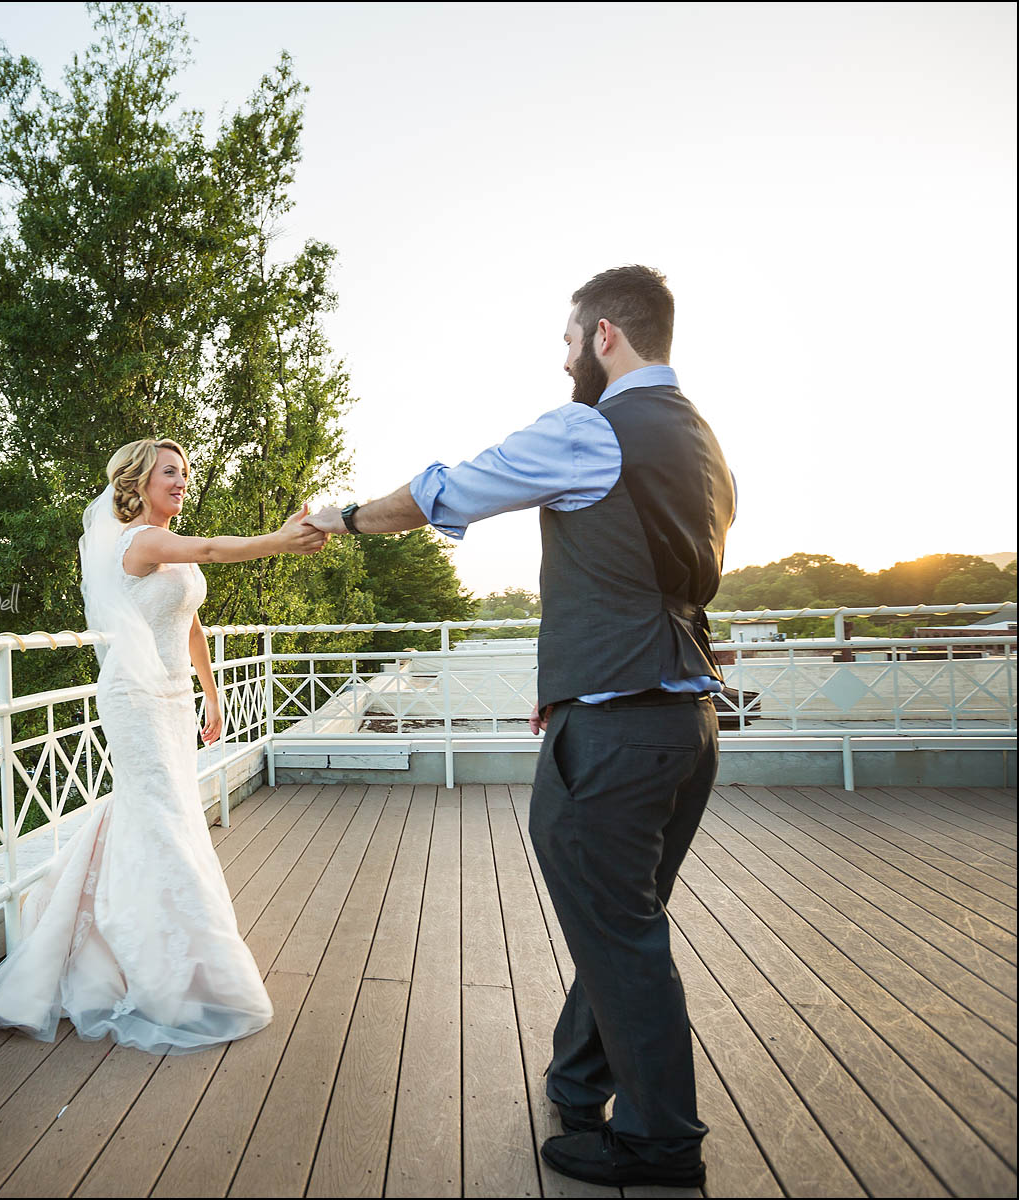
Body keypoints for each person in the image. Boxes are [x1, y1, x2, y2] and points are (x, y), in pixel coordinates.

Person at [304, 265, 734, 1190]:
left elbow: (444, 491)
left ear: (605, 336)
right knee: (622, 918)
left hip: (616, 736)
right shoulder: (701, 439)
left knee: (620, 932)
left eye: (570, 337)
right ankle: (580, 1083)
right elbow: (650, 578)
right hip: (686, 725)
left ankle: (662, 1142)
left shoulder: (590, 428)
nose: (566, 355)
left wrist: (339, 517)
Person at [0, 438, 328, 1053]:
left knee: (162, 814)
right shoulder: (140, 541)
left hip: (171, 698)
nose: (182, 481)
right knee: (161, 818)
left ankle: (121, 933)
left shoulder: (172, 548)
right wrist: (277, 540)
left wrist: (211, 696)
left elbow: (190, 623)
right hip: (134, 700)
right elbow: (217, 549)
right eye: (170, 472)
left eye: (185, 473)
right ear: (138, 482)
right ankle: (169, 973)